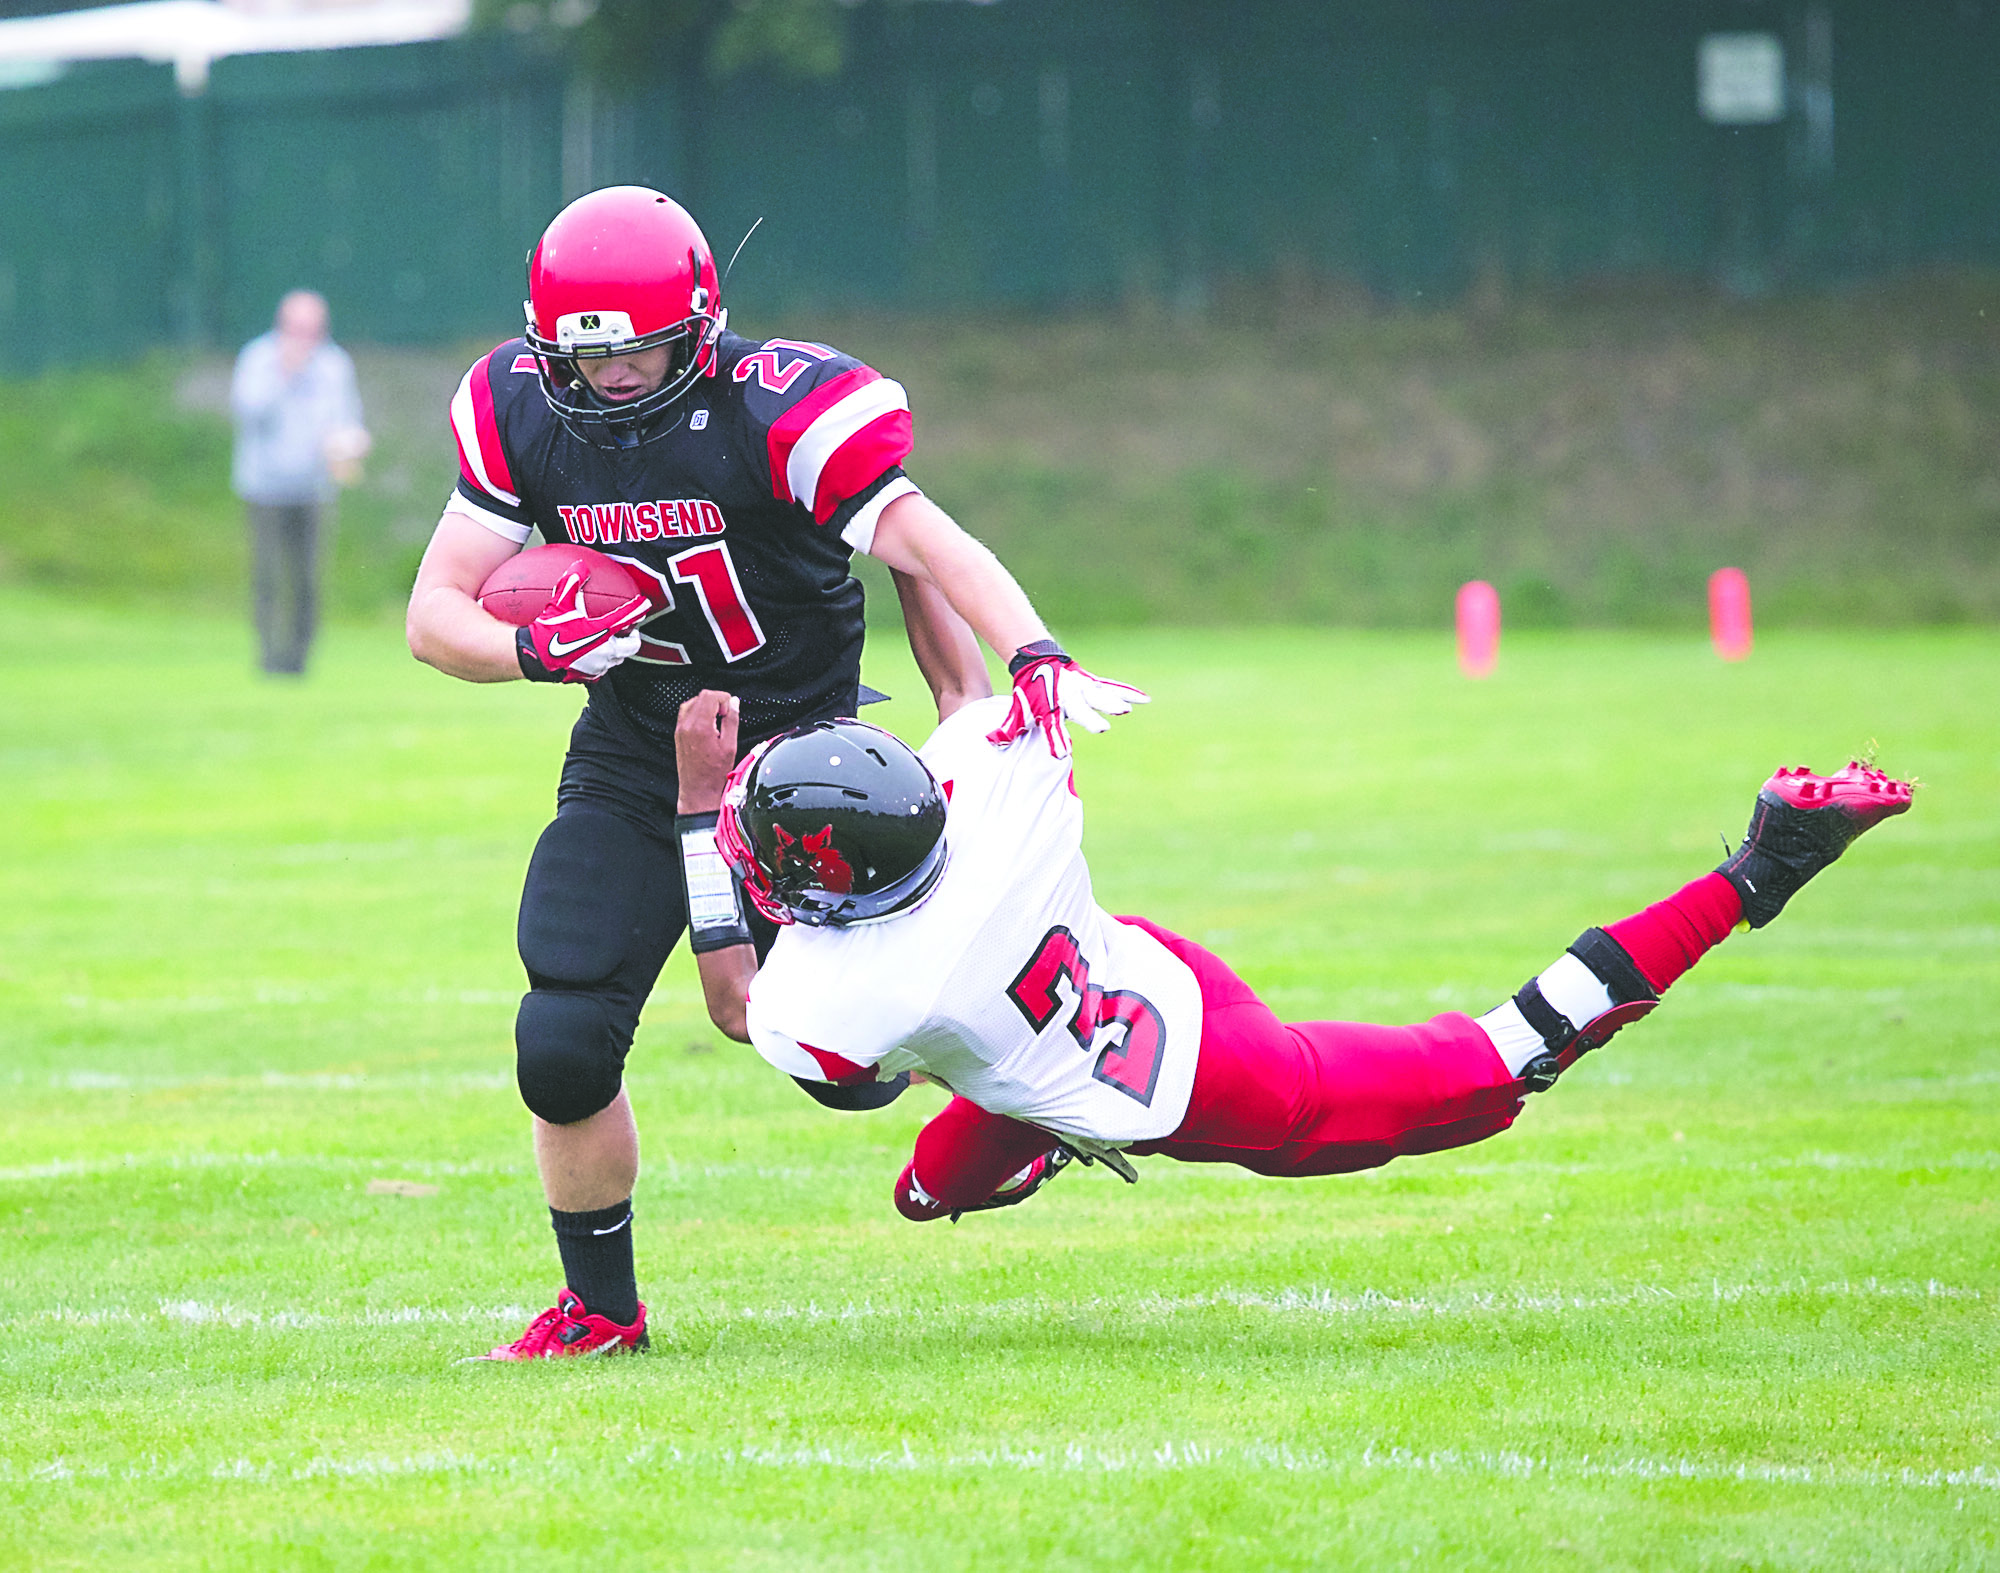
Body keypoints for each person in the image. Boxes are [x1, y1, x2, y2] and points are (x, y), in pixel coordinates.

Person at [404, 185, 1145, 1360]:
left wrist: (1034, 651)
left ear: (697, 326)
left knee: (827, 1059)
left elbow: (925, 539)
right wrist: (535, 651)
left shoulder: (778, 410)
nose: (609, 380)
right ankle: (601, 1308)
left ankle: (1002, 1106)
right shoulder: (515, 411)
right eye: (582, 357)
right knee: (559, 1037)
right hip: (635, 745)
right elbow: (432, 614)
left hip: (805, 762)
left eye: (636, 351)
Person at [671, 687, 1912, 1231]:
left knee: (1488, 1067)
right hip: (1141, 974)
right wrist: (904, 536)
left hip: (1209, 1081)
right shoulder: (991, 792)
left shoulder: (857, 991)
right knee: (921, 1192)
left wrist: (689, 810)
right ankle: (1040, 1118)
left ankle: (1759, 870)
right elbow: (964, 686)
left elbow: (743, 1003)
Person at [230, 290, 369, 676]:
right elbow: (248, 412)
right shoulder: (258, 359)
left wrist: (351, 444)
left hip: (315, 488)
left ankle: (299, 658)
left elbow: (346, 418)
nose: (305, 338)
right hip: (265, 487)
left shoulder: (334, 365)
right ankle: (268, 655)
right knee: (269, 576)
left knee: (308, 579)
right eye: (298, 328)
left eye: (313, 329)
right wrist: (284, 374)